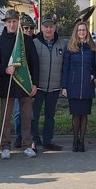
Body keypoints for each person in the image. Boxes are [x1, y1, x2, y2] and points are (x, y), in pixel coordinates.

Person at [0, 9, 39, 159]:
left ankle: (27, 144)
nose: (12, 24)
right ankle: (5, 146)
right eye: (9, 22)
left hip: (24, 84)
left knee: (26, 116)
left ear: (18, 22)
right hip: (7, 85)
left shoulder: (26, 40)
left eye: (14, 21)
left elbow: (35, 64)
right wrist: (4, 69)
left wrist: (35, 84)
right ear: (5, 23)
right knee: (6, 117)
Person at [31, 13, 66, 151]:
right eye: (46, 27)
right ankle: (33, 140)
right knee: (34, 115)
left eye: (51, 27)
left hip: (54, 87)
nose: (48, 29)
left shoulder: (61, 44)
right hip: (38, 87)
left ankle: (48, 140)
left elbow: (64, 65)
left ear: (55, 27)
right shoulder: (34, 43)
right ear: (42, 27)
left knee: (50, 116)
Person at [61, 22, 96, 152]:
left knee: (84, 114)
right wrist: (64, 86)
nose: (82, 32)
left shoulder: (92, 47)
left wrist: (93, 74)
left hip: (87, 85)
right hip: (73, 85)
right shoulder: (70, 47)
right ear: (76, 32)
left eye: (84, 30)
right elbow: (65, 68)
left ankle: (82, 141)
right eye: (79, 30)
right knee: (76, 114)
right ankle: (75, 140)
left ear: (87, 32)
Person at [13, 13, 36, 149]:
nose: (28, 31)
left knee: (30, 114)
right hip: (18, 81)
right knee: (17, 114)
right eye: (25, 28)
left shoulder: (36, 41)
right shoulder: (16, 42)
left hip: (31, 82)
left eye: (30, 28)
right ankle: (18, 136)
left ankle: (30, 138)